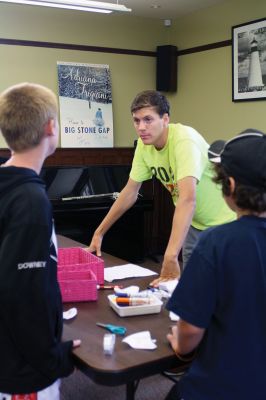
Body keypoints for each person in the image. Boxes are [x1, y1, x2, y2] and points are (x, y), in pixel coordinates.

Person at [88, 90, 234, 284]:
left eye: (148, 120)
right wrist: (99, 232)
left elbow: (187, 199)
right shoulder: (144, 144)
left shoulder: (184, 140)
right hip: (194, 224)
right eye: (136, 120)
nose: (141, 127)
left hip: (225, 223)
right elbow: (130, 192)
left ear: (165, 119)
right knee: (192, 291)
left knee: (225, 292)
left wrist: (170, 255)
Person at [165, 129, 266, 400]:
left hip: (225, 386)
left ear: (229, 186)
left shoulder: (215, 243)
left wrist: (179, 343)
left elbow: (190, 331)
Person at [0, 82, 80, 399]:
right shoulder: (30, 200)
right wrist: (55, 358)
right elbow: (21, 293)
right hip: (23, 369)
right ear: (50, 127)